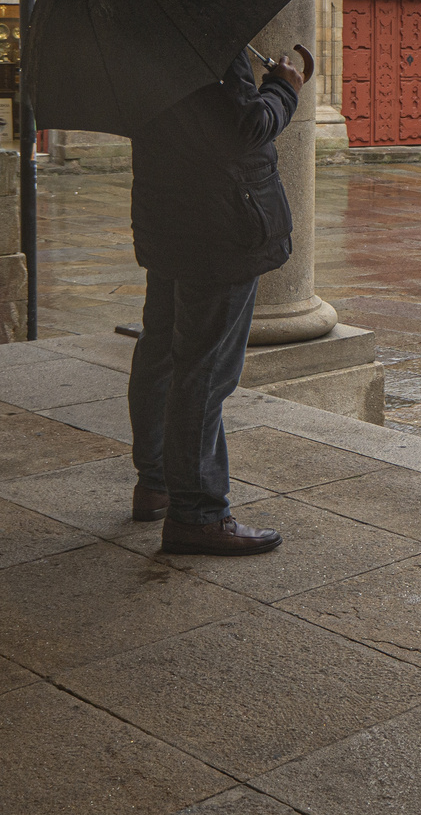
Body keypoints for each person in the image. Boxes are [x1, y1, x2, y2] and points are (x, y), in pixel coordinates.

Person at [127, 48, 304, 554]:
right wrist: (284, 87)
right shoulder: (206, 40)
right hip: (219, 226)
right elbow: (244, 127)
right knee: (205, 370)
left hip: (167, 217)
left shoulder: (138, 43)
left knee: (160, 347)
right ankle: (197, 513)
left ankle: (157, 481)